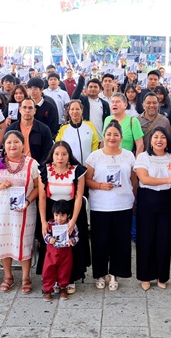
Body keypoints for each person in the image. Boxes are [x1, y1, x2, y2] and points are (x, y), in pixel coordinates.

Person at [0, 130, 41, 294]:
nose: (12, 145)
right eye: (9, 142)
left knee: (24, 242)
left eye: (16, 142)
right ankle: (8, 276)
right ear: (4, 146)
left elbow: (38, 187)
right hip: (1, 211)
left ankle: (26, 277)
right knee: (4, 240)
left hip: (24, 211)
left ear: (23, 144)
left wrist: (28, 200)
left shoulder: (32, 164)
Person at [85, 120, 137, 290]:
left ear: (121, 137)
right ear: (104, 137)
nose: (112, 137)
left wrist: (135, 199)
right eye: (109, 134)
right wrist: (100, 186)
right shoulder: (95, 156)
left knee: (120, 241)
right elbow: (87, 180)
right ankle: (100, 273)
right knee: (100, 241)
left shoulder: (129, 155)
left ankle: (115, 273)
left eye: (116, 135)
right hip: (101, 206)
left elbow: (133, 180)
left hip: (123, 204)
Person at [134, 126, 171, 290]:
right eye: (156, 137)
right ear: (150, 140)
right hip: (147, 199)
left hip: (166, 200)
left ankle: (162, 275)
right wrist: (167, 180)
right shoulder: (143, 157)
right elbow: (144, 179)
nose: (159, 140)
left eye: (162, 137)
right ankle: (145, 276)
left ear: (167, 140)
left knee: (163, 239)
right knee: (145, 238)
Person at [38, 142, 89, 295]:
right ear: (52, 156)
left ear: (69, 155)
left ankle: (70, 279)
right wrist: (43, 222)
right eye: (57, 154)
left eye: (64, 154)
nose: (60, 157)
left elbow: (79, 196)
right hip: (51, 212)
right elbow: (41, 197)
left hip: (72, 210)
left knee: (71, 246)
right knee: (51, 247)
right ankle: (51, 279)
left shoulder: (77, 171)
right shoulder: (44, 170)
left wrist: (73, 220)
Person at [41, 200, 79, 301]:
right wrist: (50, 239)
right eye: (56, 215)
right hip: (51, 253)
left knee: (64, 271)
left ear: (68, 215)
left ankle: (63, 288)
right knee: (48, 270)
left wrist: (72, 240)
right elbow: (45, 236)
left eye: (62, 215)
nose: (59, 218)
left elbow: (76, 236)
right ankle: (47, 290)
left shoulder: (71, 225)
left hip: (65, 253)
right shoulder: (50, 224)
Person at [5, 97, 54, 164]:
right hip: (14, 168)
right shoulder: (11, 129)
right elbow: (6, 151)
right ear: (20, 110)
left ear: (35, 111)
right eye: (24, 107)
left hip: (37, 169)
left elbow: (48, 153)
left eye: (30, 108)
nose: (27, 110)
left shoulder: (44, 129)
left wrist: (39, 169)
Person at [55, 100, 100, 165]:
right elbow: (58, 147)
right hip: (70, 168)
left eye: (77, 109)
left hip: (89, 166)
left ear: (82, 110)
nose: (75, 111)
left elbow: (95, 144)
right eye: (72, 109)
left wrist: (93, 162)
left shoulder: (90, 126)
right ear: (69, 111)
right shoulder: (63, 129)